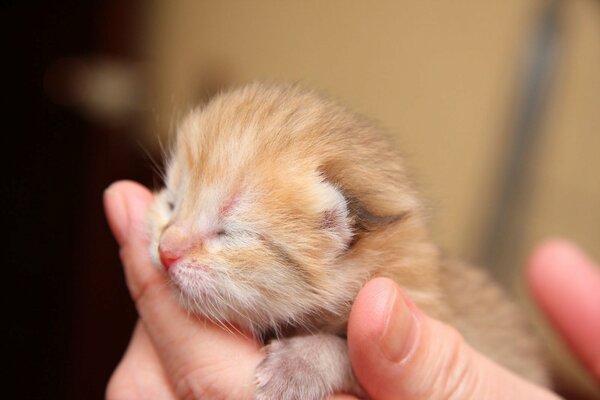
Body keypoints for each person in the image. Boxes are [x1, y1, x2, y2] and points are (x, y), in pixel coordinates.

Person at [103, 180, 600, 399]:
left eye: (230, 231)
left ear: (334, 232)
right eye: (172, 196)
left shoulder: (405, 296)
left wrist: (330, 359)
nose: (168, 245)